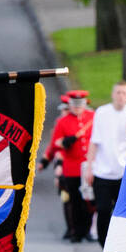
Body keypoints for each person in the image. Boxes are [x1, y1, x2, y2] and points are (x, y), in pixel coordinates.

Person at [83, 81, 126, 247]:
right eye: (118, 92)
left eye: (124, 93)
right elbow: (95, 141)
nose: (120, 96)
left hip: (123, 172)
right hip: (103, 171)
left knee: (123, 212)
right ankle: (103, 243)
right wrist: (89, 167)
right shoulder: (102, 112)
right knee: (103, 209)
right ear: (113, 94)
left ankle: (121, 245)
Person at [40, 89, 93, 243]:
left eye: (80, 104)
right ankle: (76, 232)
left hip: (89, 166)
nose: (77, 108)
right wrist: (64, 143)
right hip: (72, 168)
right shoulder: (62, 122)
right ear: (70, 105)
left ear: (84, 105)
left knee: (89, 201)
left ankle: (86, 230)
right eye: (74, 105)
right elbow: (55, 145)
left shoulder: (93, 117)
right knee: (74, 202)